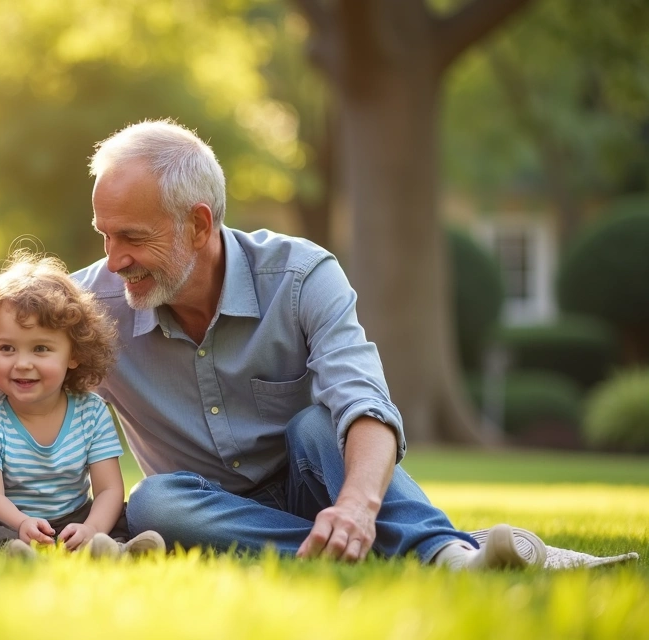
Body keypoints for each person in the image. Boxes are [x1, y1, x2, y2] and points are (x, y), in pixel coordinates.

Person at [72, 120, 546, 570]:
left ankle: (449, 559)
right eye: (105, 236)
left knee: (320, 424)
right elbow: (2, 364)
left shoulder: (301, 276)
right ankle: (378, 547)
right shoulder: (89, 306)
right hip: (205, 509)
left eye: (132, 237)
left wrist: (357, 508)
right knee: (156, 502)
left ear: (198, 225)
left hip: (319, 484)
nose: (113, 261)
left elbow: (365, 404)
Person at [0, 253, 165, 558]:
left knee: (123, 513)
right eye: (6, 348)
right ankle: (14, 552)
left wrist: (92, 527)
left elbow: (108, 489)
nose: (22, 363)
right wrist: (21, 523)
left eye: (41, 348)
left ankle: (113, 550)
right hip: (13, 520)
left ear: (74, 354)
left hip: (76, 518)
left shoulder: (91, 413)